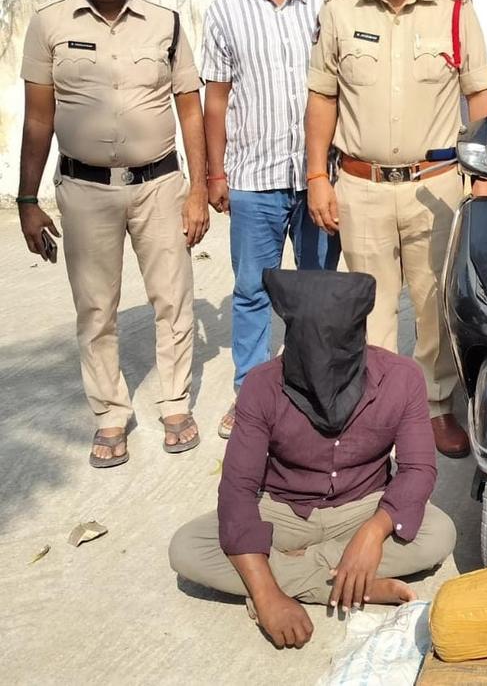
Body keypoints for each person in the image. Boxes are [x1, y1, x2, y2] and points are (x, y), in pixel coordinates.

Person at [304, 0, 487, 458]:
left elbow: (480, 98)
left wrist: (485, 177)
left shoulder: (457, 11)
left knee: (436, 302)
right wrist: (318, 176)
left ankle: (436, 406)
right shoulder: (339, 10)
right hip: (359, 185)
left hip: (435, 188)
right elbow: (321, 99)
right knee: (368, 304)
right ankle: (379, 408)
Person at [169, 270, 456, 649]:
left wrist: (372, 533)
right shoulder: (261, 385)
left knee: (438, 534)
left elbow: (419, 469)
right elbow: (238, 490)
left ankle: (299, 571)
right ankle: (351, 586)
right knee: (187, 549)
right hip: (283, 511)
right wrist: (269, 599)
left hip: (364, 508)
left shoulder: (402, 378)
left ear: (358, 336)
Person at [17, 0, 209, 468]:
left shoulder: (166, 24)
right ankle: (109, 414)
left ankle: (174, 402)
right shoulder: (48, 25)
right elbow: (38, 120)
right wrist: (29, 201)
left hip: (159, 185)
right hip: (84, 189)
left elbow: (189, 110)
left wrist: (196, 191)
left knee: (172, 299)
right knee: (96, 307)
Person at [201, 0, 341, 441]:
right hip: (253, 179)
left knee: (316, 289)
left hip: (317, 178)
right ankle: (250, 394)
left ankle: (315, 388)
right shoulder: (226, 13)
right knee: (252, 290)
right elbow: (216, 98)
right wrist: (216, 173)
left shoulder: (327, 7)